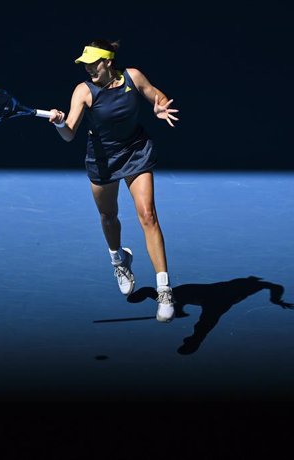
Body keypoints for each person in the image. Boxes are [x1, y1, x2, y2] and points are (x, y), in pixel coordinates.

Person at [48, 39, 179, 323]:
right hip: (102, 160)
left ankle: (164, 290)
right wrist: (60, 122)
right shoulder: (83, 91)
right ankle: (119, 260)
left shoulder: (133, 76)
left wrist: (159, 108)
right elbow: (70, 132)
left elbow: (157, 96)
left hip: (136, 152)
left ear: (107, 62)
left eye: (92, 64)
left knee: (148, 215)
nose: (88, 69)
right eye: (84, 65)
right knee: (109, 216)